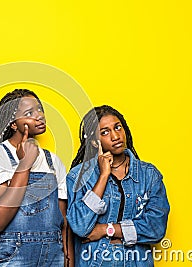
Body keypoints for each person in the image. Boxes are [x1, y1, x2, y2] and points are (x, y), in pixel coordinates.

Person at [0, 89, 73, 266]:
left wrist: (68, 257)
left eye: (39, 109)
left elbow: (63, 222)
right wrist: (24, 164)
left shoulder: (53, 162)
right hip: (12, 254)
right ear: (13, 124)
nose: (39, 116)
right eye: (29, 113)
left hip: (53, 254)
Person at [66, 105, 169, 266]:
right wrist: (103, 176)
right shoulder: (78, 176)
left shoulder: (149, 175)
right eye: (105, 132)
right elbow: (80, 226)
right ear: (94, 142)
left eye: (118, 127)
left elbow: (156, 228)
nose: (115, 136)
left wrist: (106, 229)